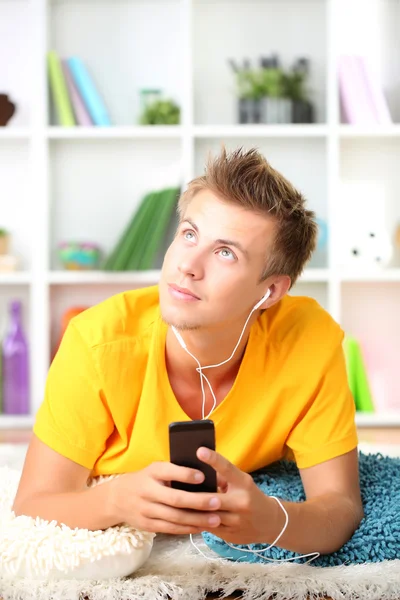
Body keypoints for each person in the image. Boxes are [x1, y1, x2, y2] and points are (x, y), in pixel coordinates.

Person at [13, 147, 363, 557]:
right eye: (189, 234)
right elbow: (31, 505)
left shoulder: (309, 341)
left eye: (225, 252)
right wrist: (115, 500)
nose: (188, 266)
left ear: (270, 291)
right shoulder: (97, 343)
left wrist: (269, 520)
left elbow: (339, 508)